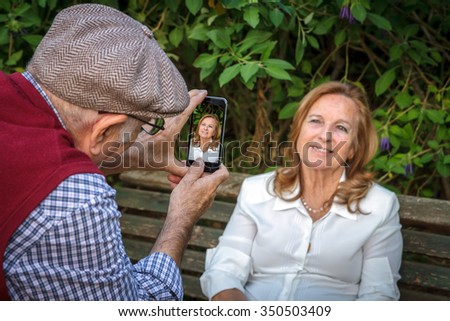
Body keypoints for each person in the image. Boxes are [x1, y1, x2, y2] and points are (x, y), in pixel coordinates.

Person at [0, 4, 228, 300]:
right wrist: (182, 217)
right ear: (105, 128)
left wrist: (131, 155)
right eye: (140, 128)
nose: (138, 137)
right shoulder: (79, 201)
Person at [200, 81, 403, 301]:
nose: (325, 135)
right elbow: (224, 270)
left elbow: (378, 295)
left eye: (341, 128)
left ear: (354, 148)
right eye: (316, 121)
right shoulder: (256, 191)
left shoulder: (379, 206)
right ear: (298, 132)